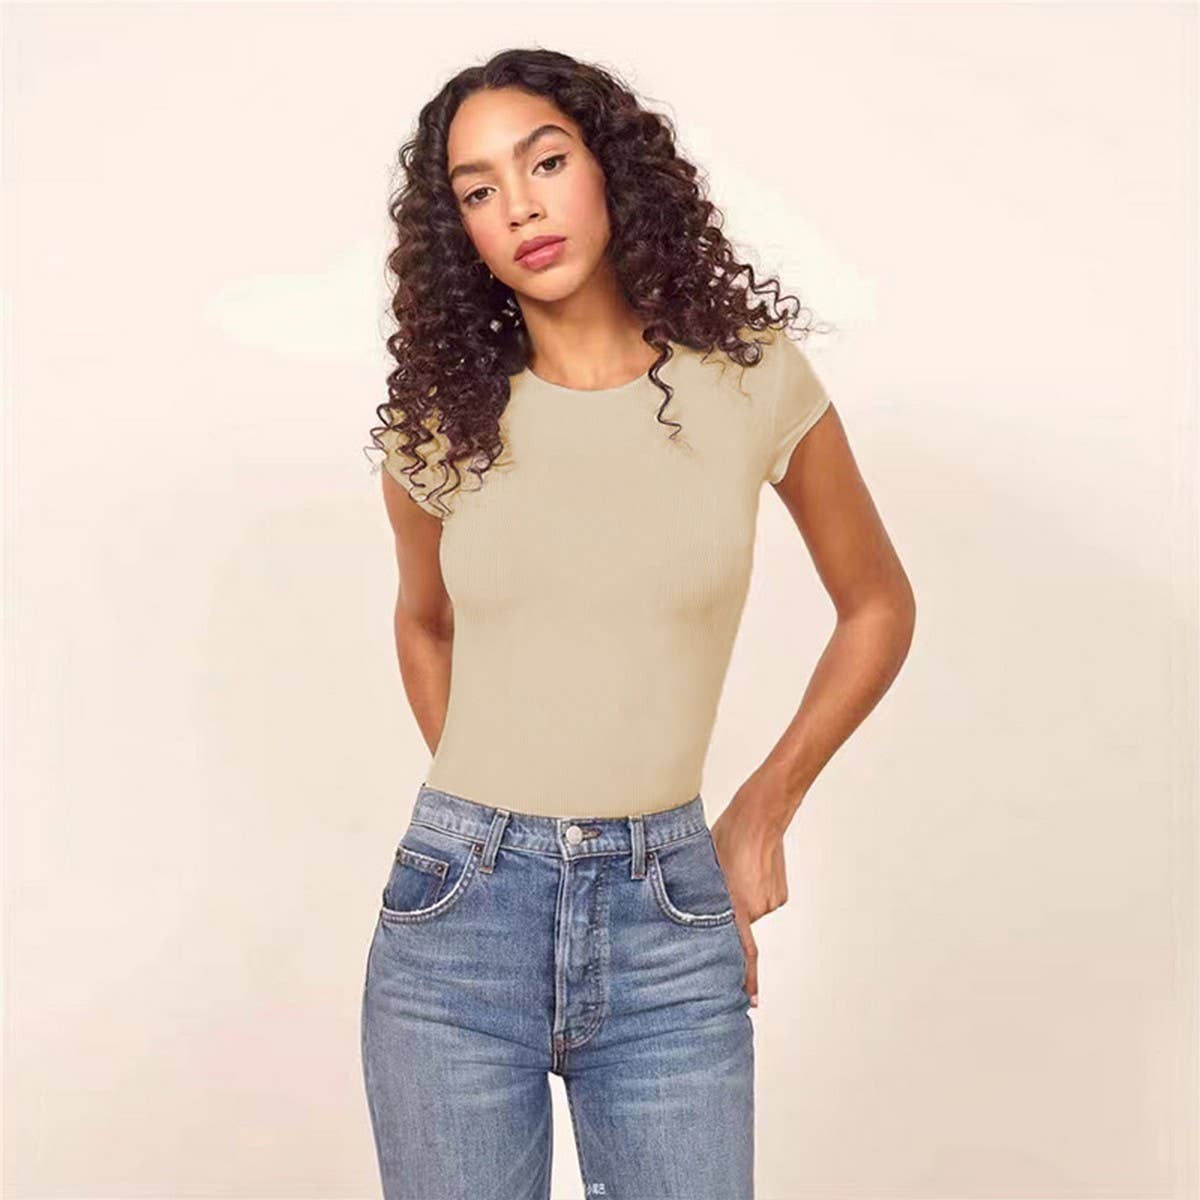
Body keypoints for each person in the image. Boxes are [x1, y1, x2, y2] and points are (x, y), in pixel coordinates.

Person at [360, 47, 915, 1200]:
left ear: (609, 166)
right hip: (457, 925)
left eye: (545, 162)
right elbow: (426, 626)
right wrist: (490, 829)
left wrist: (761, 811)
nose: (520, 207)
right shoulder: (439, 424)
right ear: (461, 232)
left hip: (670, 909)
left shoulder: (751, 378)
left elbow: (876, 605)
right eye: (478, 190)